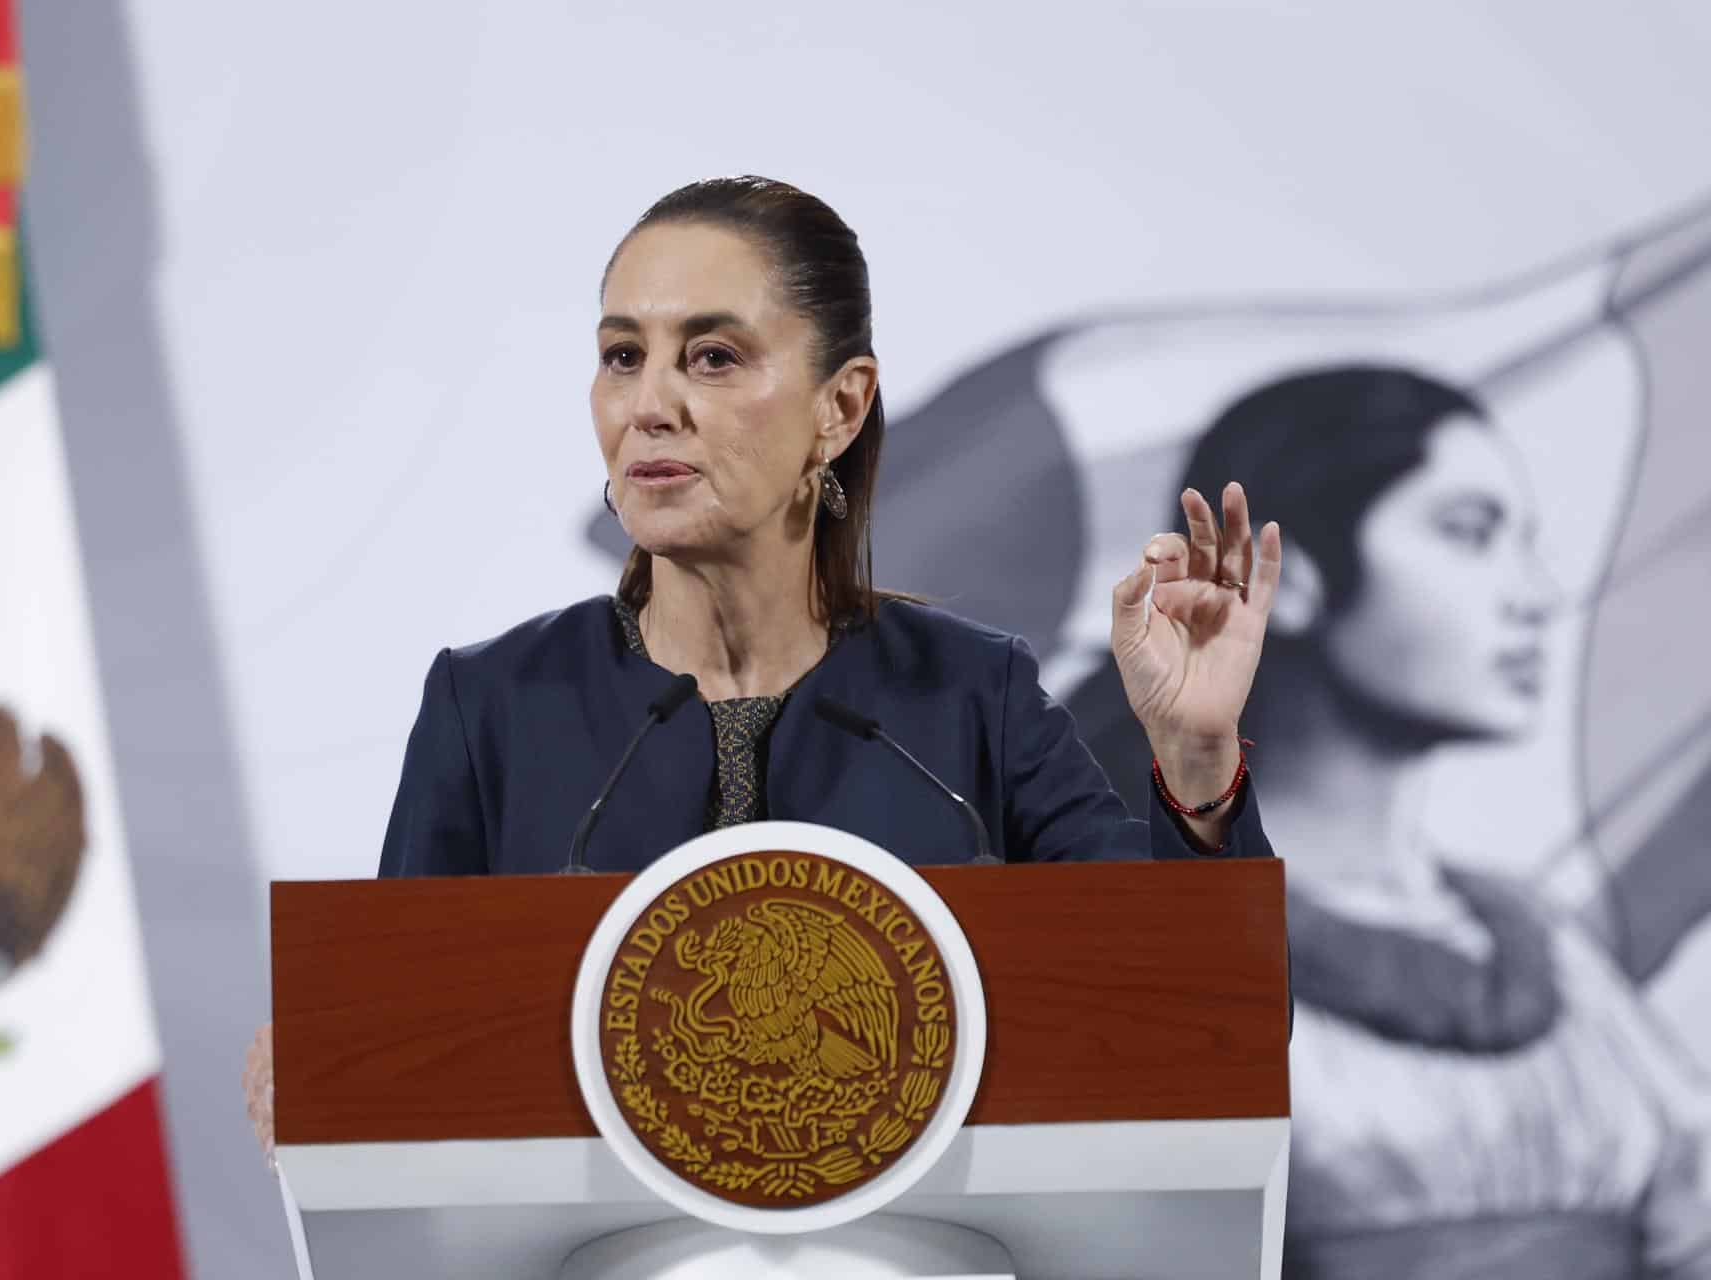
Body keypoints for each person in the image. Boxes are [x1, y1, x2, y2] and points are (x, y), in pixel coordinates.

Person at [244, 175, 1286, 1158]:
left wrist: (1198, 763)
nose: (649, 404)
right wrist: (334, 1070)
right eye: (621, 356)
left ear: (839, 407)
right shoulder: (494, 707)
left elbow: (1207, 1024)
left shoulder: (975, 696)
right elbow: (407, 1058)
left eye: (712, 357)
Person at [1070, 366, 1711, 1278]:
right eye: (1469, 534)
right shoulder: (1137, 942)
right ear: (1281, 579)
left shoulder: (1545, 950)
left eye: (1525, 543)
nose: (1534, 596)